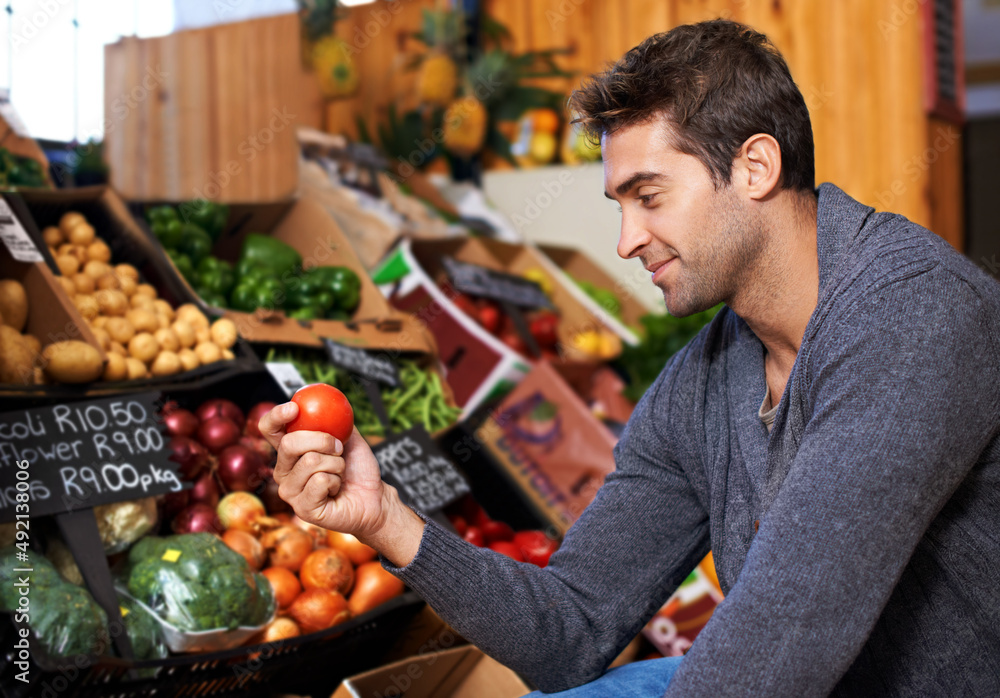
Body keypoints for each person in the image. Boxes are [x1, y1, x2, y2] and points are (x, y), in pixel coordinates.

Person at [259, 19, 1000, 697]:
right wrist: (384, 517)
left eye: (649, 196)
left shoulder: (913, 315)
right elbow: (568, 630)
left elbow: (781, 646)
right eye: (619, 204)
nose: (625, 240)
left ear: (755, 167)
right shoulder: (706, 381)